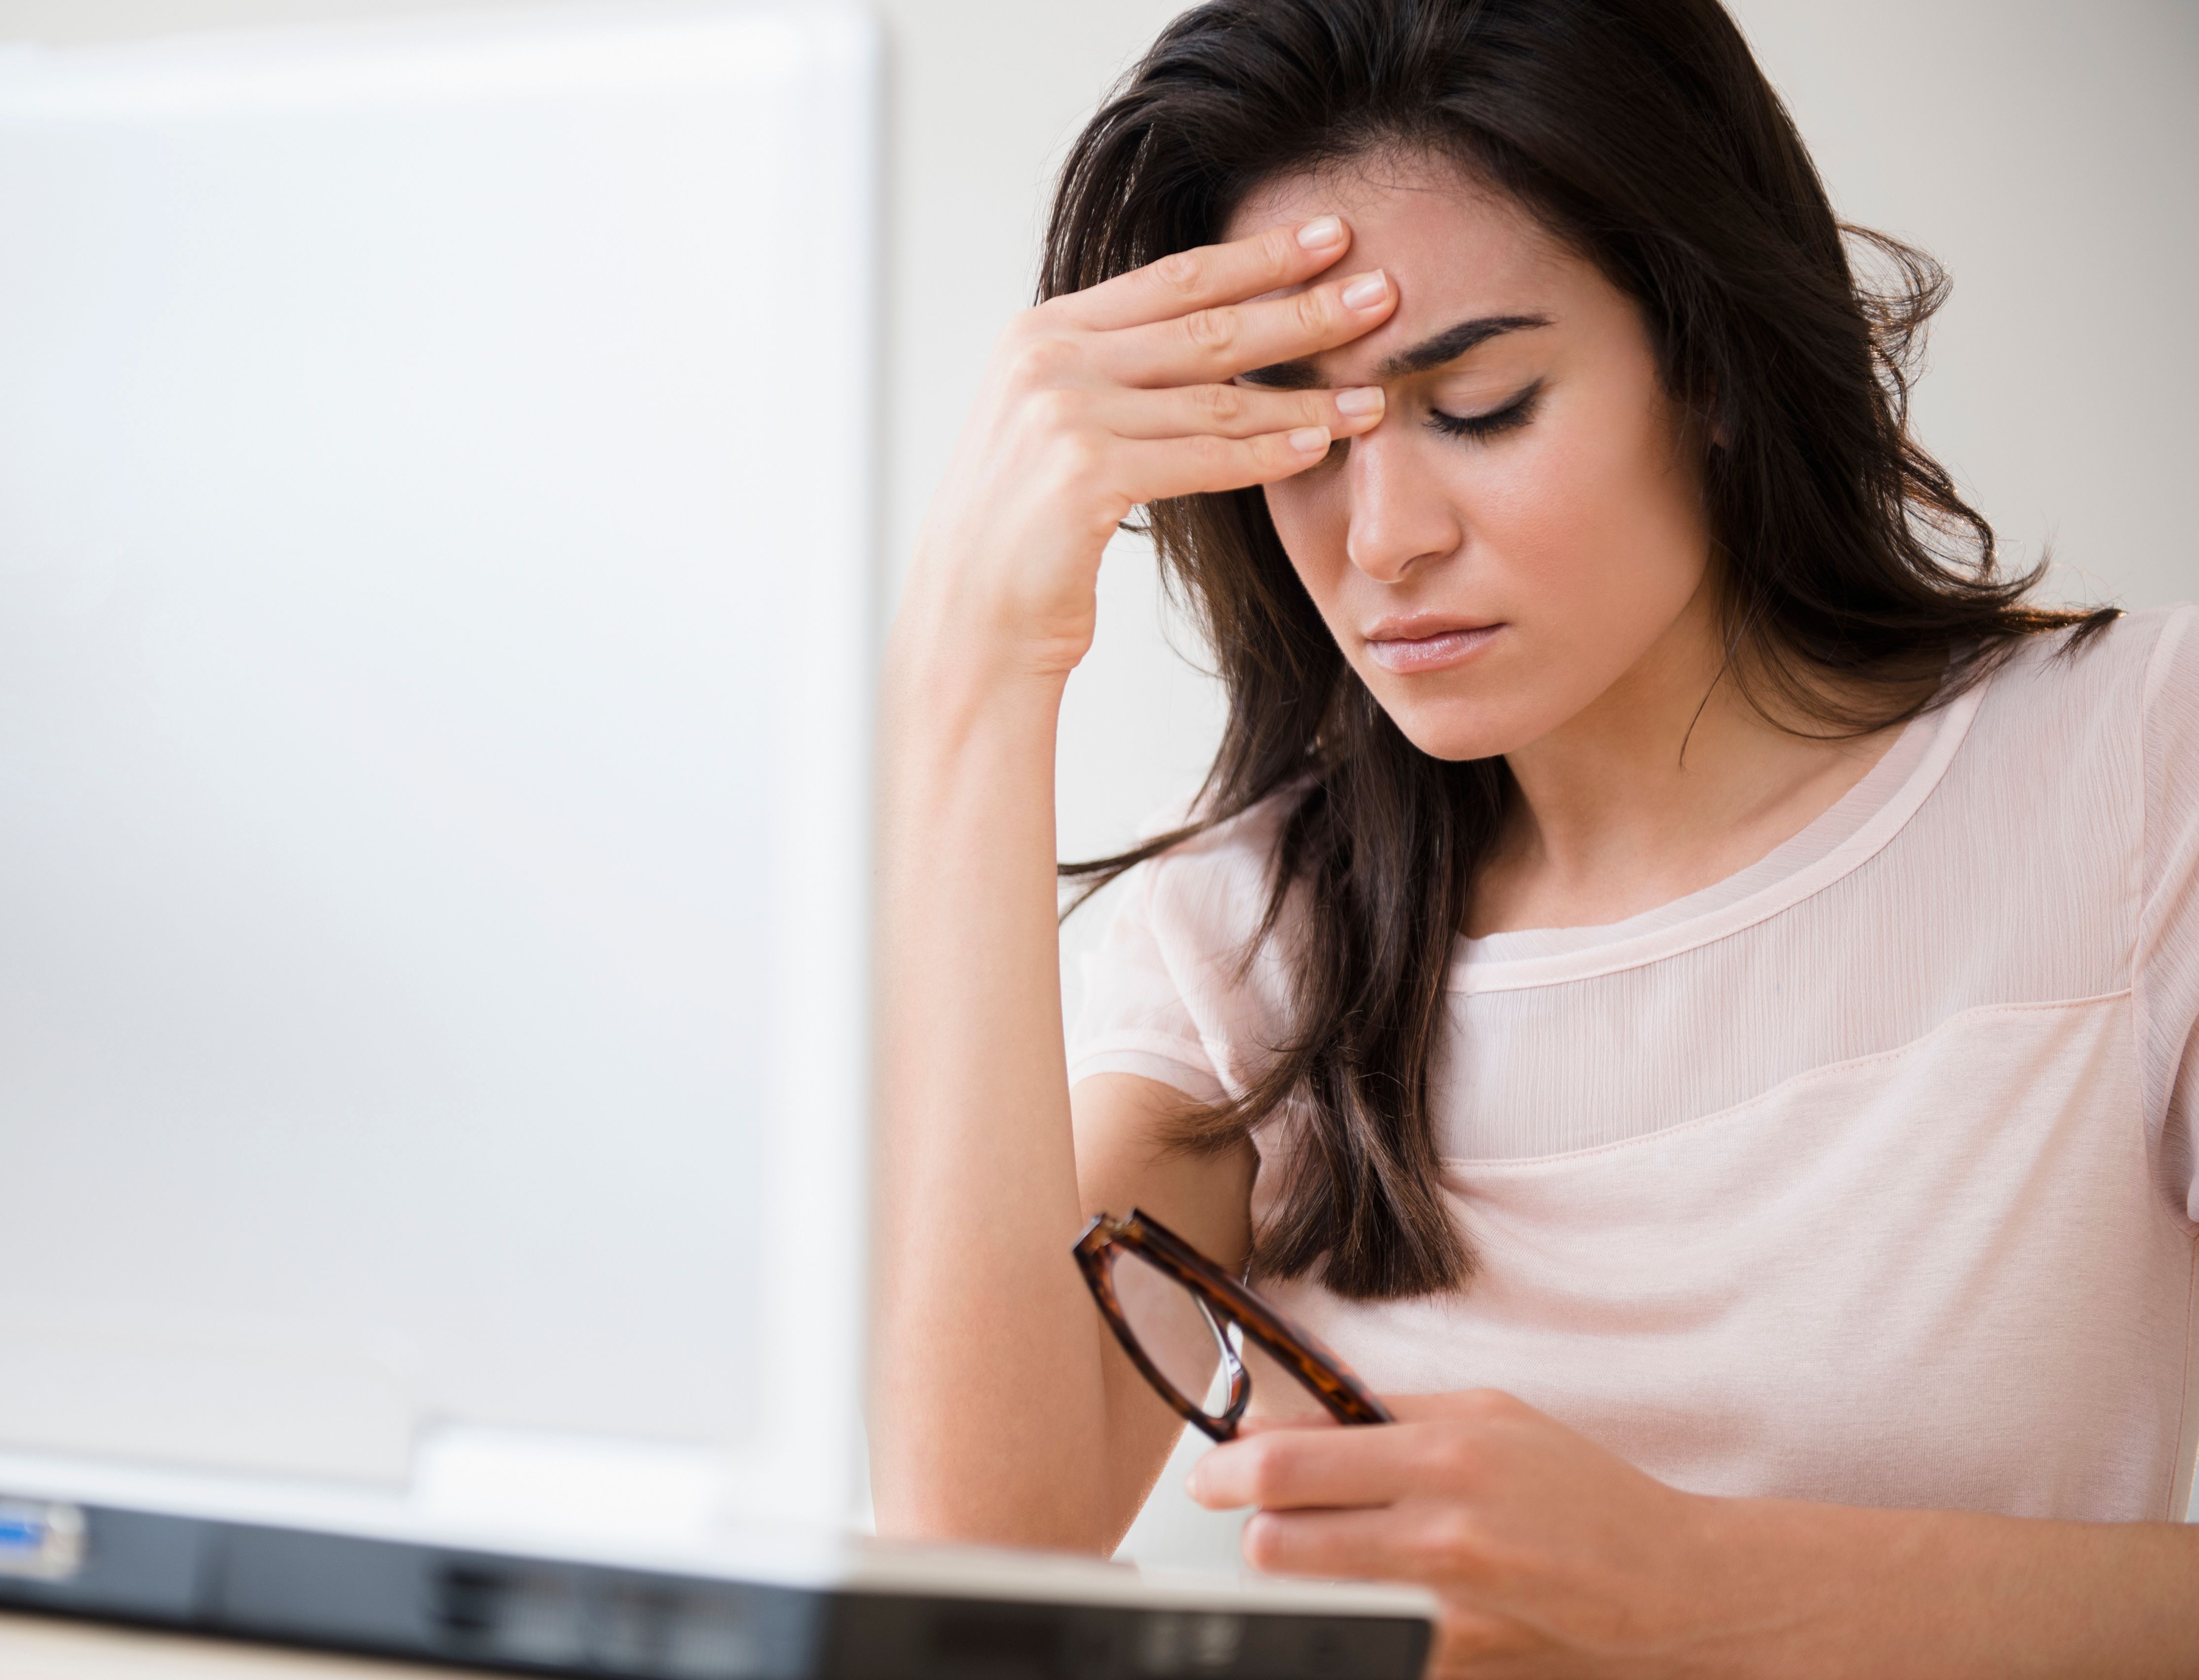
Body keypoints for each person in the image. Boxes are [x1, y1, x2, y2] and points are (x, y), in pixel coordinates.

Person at [870, 0, 2199, 1672]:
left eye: (1481, 404)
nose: (1385, 540)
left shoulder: (2141, 771)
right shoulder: (1249, 941)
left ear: (1706, 365)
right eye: (1304, 433)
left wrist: (1707, 1591)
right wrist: (972, 675)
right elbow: (964, 1559)